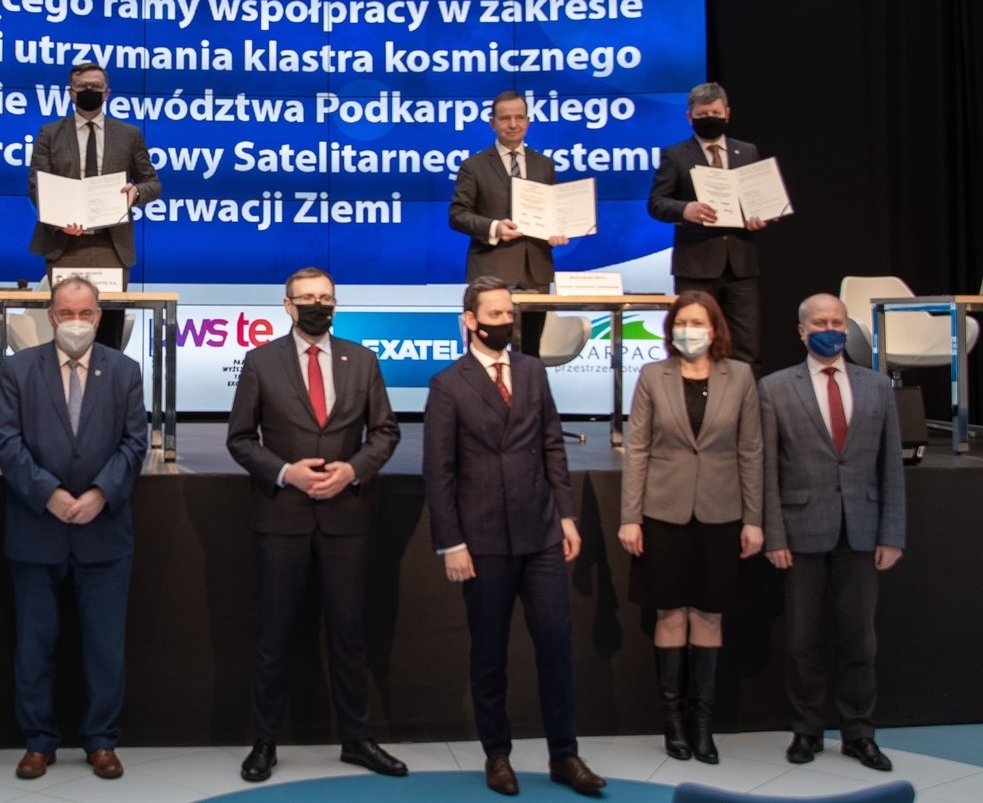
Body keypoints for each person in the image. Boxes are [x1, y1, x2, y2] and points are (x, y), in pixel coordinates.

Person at [422, 276, 606, 797]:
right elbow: (439, 471)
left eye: (510, 313)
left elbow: (551, 446)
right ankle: (497, 754)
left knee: (555, 647)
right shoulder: (448, 384)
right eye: (496, 314)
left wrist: (566, 515)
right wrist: (451, 542)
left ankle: (564, 755)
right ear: (471, 321)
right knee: (490, 654)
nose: (506, 322)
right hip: (482, 541)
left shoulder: (531, 371)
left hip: (540, 532)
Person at [225, 267, 407, 783]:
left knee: (349, 634)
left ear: (335, 303)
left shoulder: (362, 360)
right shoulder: (260, 361)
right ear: (287, 305)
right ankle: (264, 743)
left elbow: (385, 432)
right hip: (282, 517)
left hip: (346, 517)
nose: (316, 305)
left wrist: (353, 470)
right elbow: (240, 439)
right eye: (306, 297)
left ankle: (357, 739)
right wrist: (287, 472)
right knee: (274, 636)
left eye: (325, 297)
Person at [0, 276, 147, 781]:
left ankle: (101, 740)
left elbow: (135, 443)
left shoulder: (124, 370)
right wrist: (50, 494)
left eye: (85, 313)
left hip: (104, 533)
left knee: (105, 647)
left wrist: (100, 493)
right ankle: (39, 741)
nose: (75, 322)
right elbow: (7, 443)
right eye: (66, 313)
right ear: (51, 316)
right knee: (34, 646)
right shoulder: (17, 369)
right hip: (37, 529)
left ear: (99, 317)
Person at [760, 294, 906, 771]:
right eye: (820, 323)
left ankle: (859, 734)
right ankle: (807, 731)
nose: (831, 329)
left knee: (860, 641)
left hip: (862, 531)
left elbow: (891, 466)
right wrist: (775, 536)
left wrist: (892, 534)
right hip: (800, 532)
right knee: (803, 641)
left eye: (838, 322)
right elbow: (767, 470)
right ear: (802, 332)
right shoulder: (775, 388)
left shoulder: (877, 386)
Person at [618, 290, 763, 764]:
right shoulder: (652, 376)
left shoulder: (740, 376)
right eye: (681, 323)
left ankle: (703, 725)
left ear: (714, 328)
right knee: (670, 614)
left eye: (698, 323)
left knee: (708, 615)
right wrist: (630, 517)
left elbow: (751, 451)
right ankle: (673, 723)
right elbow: (637, 450)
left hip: (721, 513)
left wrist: (754, 520)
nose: (688, 331)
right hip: (663, 513)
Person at [28, 63, 161, 347]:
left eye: (96, 87)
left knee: (108, 332)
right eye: (82, 87)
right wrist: (58, 221)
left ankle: (106, 376)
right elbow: (36, 186)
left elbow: (152, 183)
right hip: (64, 245)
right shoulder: (49, 133)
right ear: (70, 93)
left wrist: (136, 192)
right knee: (66, 329)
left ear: (107, 93)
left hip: (111, 246)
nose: (89, 91)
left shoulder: (129, 134)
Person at [647, 82, 767, 369]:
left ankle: (743, 398)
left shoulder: (747, 151)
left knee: (745, 345)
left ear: (727, 113)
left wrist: (762, 215)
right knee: (692, 342)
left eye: (714, 113)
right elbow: (656, 203)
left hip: (740, 265)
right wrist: (684, 209)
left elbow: (759, 197)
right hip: (696, 265)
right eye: (702, 115)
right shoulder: (676, 155)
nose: (709, 119)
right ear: (689, 117)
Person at [449, 90, 569, 356]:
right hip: (491, 271)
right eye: (505, 119)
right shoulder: (474, 166)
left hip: (536, 273)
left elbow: (554, 212)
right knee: (487, 353)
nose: (513, 124)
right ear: (492, 123)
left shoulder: (544, 165)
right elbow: (458, 215)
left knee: (530, 355)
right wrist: (495, 228)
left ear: (528, 121)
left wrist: (557, 230)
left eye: (519, 117)